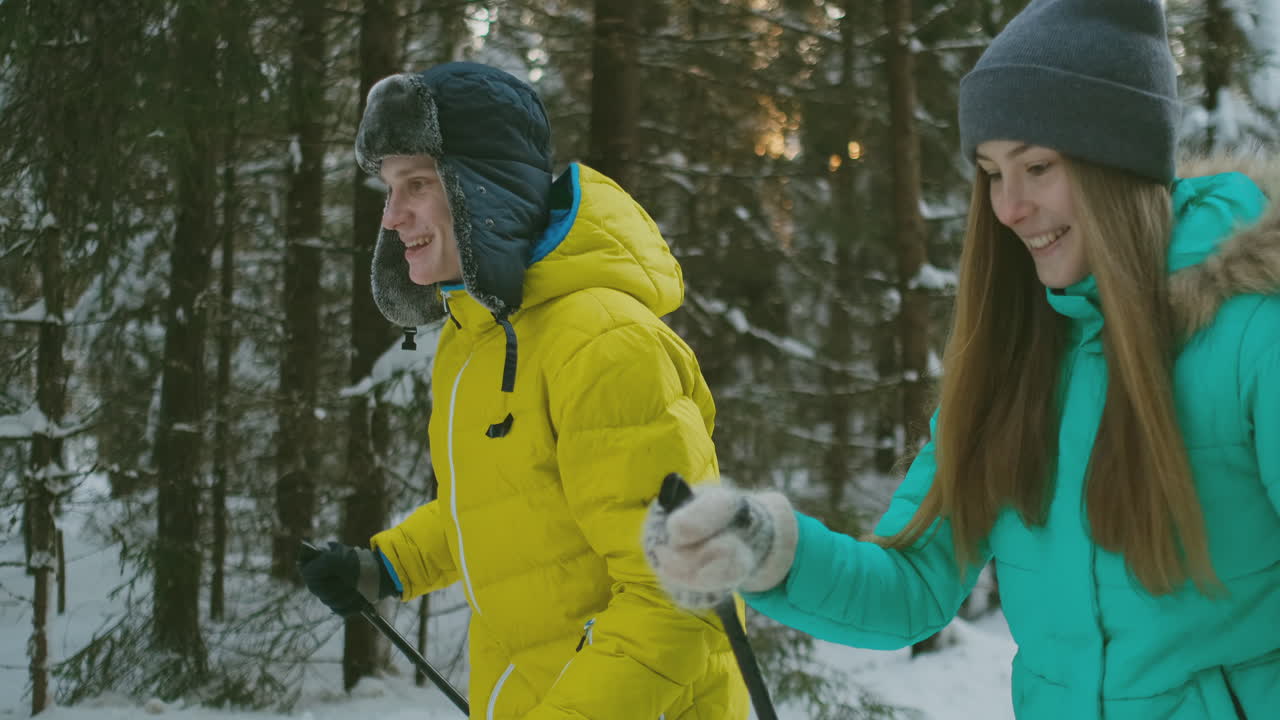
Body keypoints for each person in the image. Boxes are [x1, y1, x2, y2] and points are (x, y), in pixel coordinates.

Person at [643, 1, 1280, 718]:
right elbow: (913, 581)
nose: (1009, 208)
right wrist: (764, 549)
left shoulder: (1255, 333)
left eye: (1036, 167)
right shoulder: (1021, 355)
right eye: (991, 173)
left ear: (1121, 161)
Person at [299, 62, 749, 719]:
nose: (392, 216)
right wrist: (388, 567)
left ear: (482, 187)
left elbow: (682, 596)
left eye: (417, 183)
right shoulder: (479, 337)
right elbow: (509, 505)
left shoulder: (604, 343)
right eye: (389, 188)